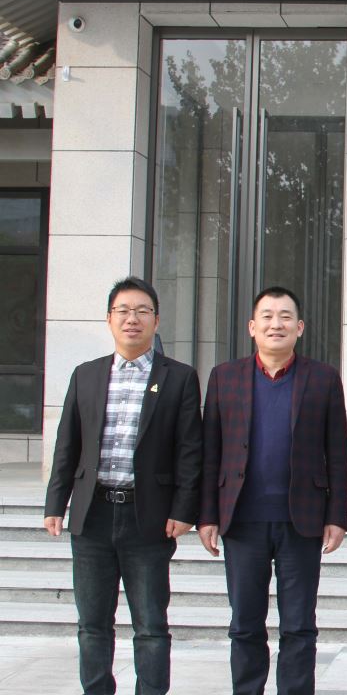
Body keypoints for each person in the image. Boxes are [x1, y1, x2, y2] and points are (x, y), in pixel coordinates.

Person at [44, 276, 203, 695]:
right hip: (92, 514)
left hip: (146, 517)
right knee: (92, 623)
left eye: (142, 311)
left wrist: (184, 509)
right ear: (109, 319)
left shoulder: (179, 378)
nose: (132, 319)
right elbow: (67, 444)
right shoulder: (86, 375)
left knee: (150, 624)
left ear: (156, 320)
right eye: (124, 311)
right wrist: (55, 503)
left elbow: (190, 450)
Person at [197, 285, 347, 695]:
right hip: (241, 520)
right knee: (245, 623)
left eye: (285, 317)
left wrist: (337, 516)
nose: (275, 324)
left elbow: (337, 452)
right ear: (252, 326)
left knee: (299, 625)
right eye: (267, 316)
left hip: (302, 521)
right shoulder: (224, 377)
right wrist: (207, 514)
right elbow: (210, 452)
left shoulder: (323, 378)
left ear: (300, 327)